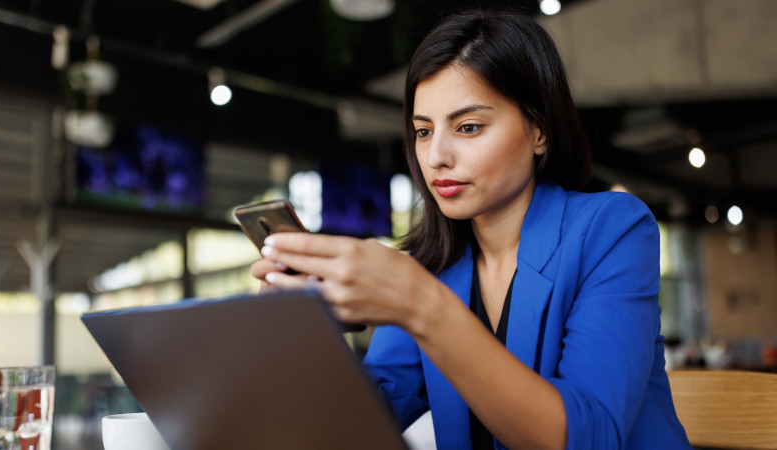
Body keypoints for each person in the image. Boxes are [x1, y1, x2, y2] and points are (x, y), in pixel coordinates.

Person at [251, 8, 690, 450]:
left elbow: (588, 436)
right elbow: (355, 427)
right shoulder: (431, 266)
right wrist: (305, 334)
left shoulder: (612, 227)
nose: (436, 156)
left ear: (539, 131)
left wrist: (421, 306)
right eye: (423, 132)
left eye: (468, 127)